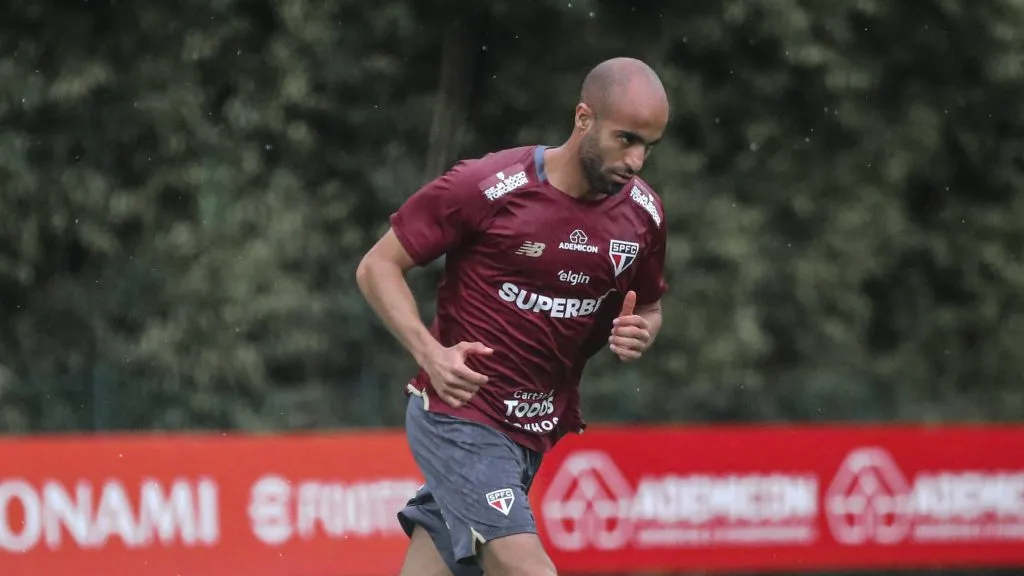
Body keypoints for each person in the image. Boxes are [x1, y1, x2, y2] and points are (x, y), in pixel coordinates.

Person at [356, 57, 670, 576]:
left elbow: (651, 306)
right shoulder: (489, 186)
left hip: (533, 429)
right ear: (584, 119)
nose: (636, 160)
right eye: (626, 139)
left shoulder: (643, 215)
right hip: (460, 415)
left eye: (648, 147)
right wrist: (429, 353)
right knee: (529, 571)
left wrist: (643, 331)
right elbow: (377, 266)